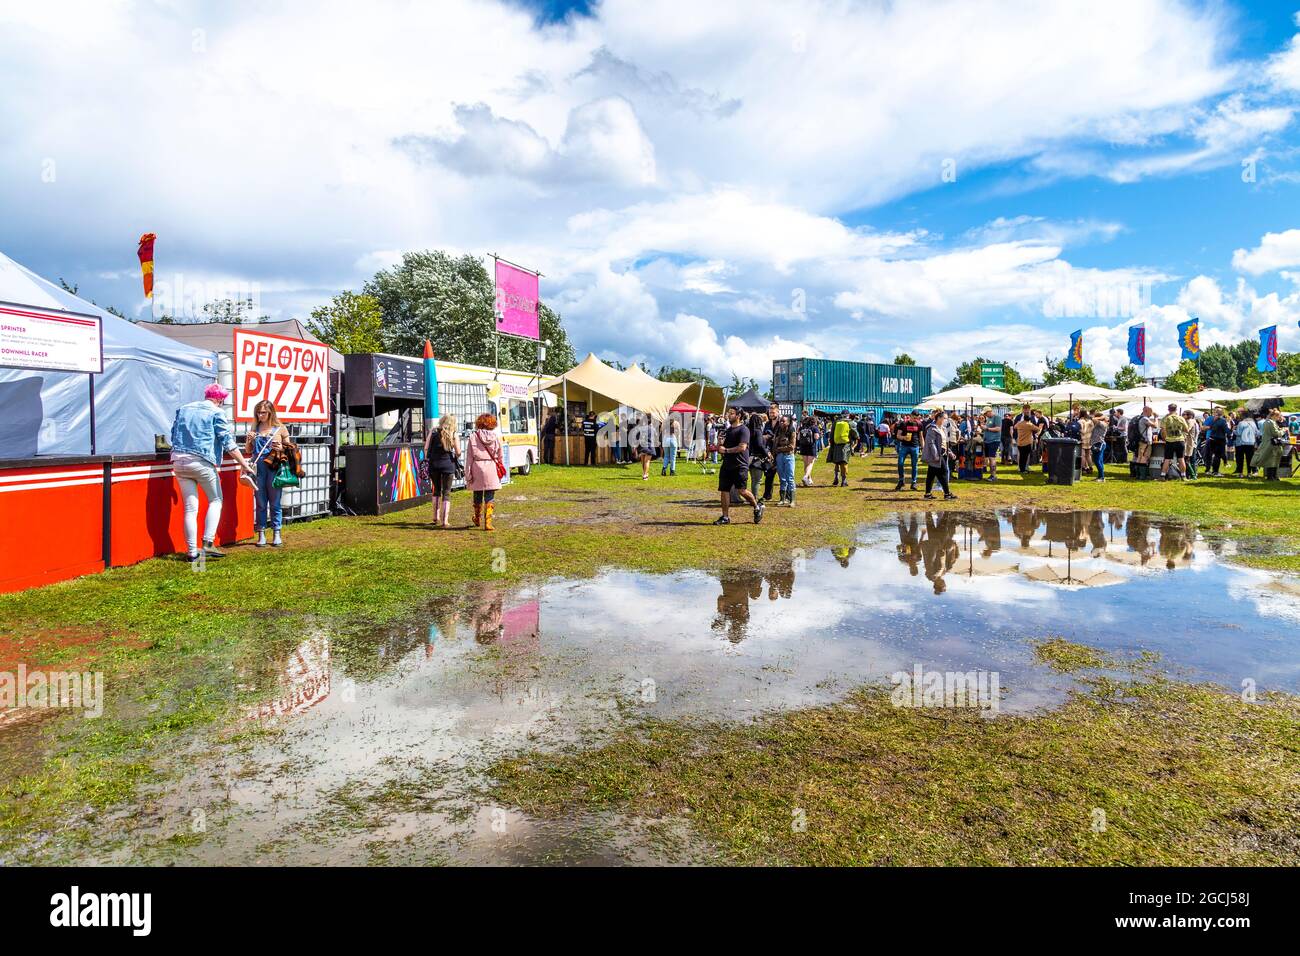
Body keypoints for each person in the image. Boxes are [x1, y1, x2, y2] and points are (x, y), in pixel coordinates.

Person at [169, 383, 256, 562]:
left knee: (190, 508)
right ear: (219, 399)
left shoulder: (183, 409)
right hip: (202, 461)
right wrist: (244, 464)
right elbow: (228, 442)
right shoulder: (217, 412)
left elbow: (173, 434)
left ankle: (192, 552)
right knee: (216, 500)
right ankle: (208, 543)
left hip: (178, 460)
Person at [244, 399, 292, 548]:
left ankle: (277, 532)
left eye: (263, 412)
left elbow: (290, 449)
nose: (260, 415)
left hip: (274, 466)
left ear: (271, 412)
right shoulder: (255, 427)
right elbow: (248, 451)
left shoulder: (280, 428)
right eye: (258, 412)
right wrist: (248, 440)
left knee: (275, 502)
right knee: (260, 502)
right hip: (258, 468)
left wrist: (281, 448)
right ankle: (261, 533)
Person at [715, 406, 763, 525]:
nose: (728, 415)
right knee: (724, 490)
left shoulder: (744, 430)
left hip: (740, 465)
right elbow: (722, 446)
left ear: (738, 416)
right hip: (727, 465)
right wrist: (719, 443)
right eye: (729, 413)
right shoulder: (728, 430)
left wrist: (725, 450)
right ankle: (725, 517)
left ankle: (757, 507)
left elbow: (742, 447)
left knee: (742, 490)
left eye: (731, 413)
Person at [466, 412, 504, 530]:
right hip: (491, 467)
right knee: (490, 495)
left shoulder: (473, 437)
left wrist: (468, 474)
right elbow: (500, 455)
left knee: (477, 493)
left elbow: (469, 457)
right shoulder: (496, 437)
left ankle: (477, 518)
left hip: (477, 467)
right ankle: (488, 523)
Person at [423, 413, 462, 528]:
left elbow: (426, 448)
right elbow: (458, 452)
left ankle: (435, 517)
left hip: (434, 465)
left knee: (436, 491)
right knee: (446, 493)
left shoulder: (433, 432)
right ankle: (445, 521)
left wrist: (429, 458)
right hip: (448, 465)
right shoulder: (453, 434)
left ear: (442, 421)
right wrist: (454, 456)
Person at [921, 409, 957, 501]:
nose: (946, 420)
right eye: (944, 418)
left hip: (942, 454)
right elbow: (931, 443)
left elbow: (944, 443)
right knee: (944, 472)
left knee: (931, 474)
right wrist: (936, 455)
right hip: (937, 456)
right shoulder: (932, 428)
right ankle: (947, 494)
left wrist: (949, 452)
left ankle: (927, 494)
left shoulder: (943, 429)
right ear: (939, 418)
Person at [1253, 408, 1285, 480]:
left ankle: (1273, 476)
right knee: (1272, 461)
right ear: (1274, 416)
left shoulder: (1268, 422)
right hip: (1271, 444)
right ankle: (1271, 477)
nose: (1279, 417)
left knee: (1272, 460)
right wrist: (1283, 430)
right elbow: (1276, 434)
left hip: (1269, 443)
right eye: (1278, 416)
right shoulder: (1271, 422)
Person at [772, 413, 797, 507]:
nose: (781, 422)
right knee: (782, 479)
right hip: (779, 457)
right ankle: (782, 499)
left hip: (789, 456)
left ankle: (792, 500)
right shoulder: (778, 431)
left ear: (789, 422)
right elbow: (775, 444)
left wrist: (779, 449)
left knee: (790, 478)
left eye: (783, 421)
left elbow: (792, 446)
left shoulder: (792, 431)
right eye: (780, 421)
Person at [892, 411, 921, 491]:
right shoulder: (903, 424)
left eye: (917, 418)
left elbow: (921, 436)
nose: (915, 419)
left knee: (914, 465)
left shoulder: (919, 424)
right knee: (900, 463)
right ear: (910, 416)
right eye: (914, 418)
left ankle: (914, 482)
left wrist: (924, 447)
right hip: (904, 446)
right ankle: (901, 480)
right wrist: (904, 437)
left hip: (915, 446)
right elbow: (898, 435)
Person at [1159, 403, 1188, 480]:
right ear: (1176, 409)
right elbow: (1186, 429)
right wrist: (1183, 435)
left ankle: (1162, 476)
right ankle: (1183, 476)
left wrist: (1165, 438)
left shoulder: (1166, 418)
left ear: (1168, 409)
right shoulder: (1181, 418)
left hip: (1169, 441)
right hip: (1180, 440)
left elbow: (1163, 430)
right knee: (1181, 459)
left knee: (1167, 459)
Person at [748, 412, 772, 498]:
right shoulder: (757, 431)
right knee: (757, 480)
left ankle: (753, 496)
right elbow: (759, 445)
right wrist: (767, 453)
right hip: (756, 458)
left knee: (753, 479)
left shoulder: (748, 431)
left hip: (748, 457)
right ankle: (754, 497)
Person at [826, 412, 855, 487]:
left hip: (836, 444)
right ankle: (844, 480)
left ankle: (836, 478)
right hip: (846, 445)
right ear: (848, 415)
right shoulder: (850, 422)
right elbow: (855, 433)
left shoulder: (836, 422)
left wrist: (832, 443)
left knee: (836, 462)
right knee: (844, 462)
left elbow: (832, 433)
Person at [1013, 405, 1041, 474]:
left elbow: (1035, 426)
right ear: (1022, 410)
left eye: (1028, 409)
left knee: (1027, 454)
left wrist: (1035, 437)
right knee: (1020, 454)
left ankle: (1026, 467)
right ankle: (1020, 467)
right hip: (1020, 438)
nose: (1026, 411)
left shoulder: (1032, 417)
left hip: (1029, 438)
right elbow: (1014, 427)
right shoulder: (1018, 417)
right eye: (1025, 409)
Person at [797, 415, 819, 486]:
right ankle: (806, 477)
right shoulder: (815, 428)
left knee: (806, 464)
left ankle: (809, 479)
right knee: (810, 463)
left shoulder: (802, 428)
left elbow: (798, 438)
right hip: (811, 447)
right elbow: (816, 437)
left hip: (803, 447)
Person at [981, 406, 1001, 482]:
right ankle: (992, 475)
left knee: (992, 458)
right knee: (989, 458)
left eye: (986, 413)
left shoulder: (997, 417)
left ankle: (994, 475)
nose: (985, 415)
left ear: (989, 411)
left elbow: (998, 428)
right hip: (988, 440)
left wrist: (987, 428)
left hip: (994, 440)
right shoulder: (989, 418)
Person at [1090, 410, 1108, 482]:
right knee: (1099, 461)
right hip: (1097, 443)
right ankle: (1100, 476)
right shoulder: (1100, 423)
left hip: (1099, 443)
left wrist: (1100, 417)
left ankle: (1102, 477)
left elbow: (1093, 419)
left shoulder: (1102, 423)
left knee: (1097, 461)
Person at [1182, 410, 1201, 480]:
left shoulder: (1190, 421)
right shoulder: (1194, 421)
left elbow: (1187, 429)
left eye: (1184, 414)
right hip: (1192, 443)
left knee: (1187, 459)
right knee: (1192, 460)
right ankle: (1193, 474)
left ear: (1189, 415)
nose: (1182, 416)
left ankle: (1193, 475)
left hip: (1189, 443)